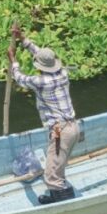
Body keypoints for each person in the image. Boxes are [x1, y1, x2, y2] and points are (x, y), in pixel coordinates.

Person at [8, 24, 79, 204]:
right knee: (57, 164)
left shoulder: (40, 82)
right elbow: (40, 53)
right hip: (73, 127)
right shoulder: (63, 73)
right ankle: (60, 192)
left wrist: (13, 60)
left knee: (51, 175)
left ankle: (61, 200)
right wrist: (23, 39)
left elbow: (20, 78)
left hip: (59, 132)